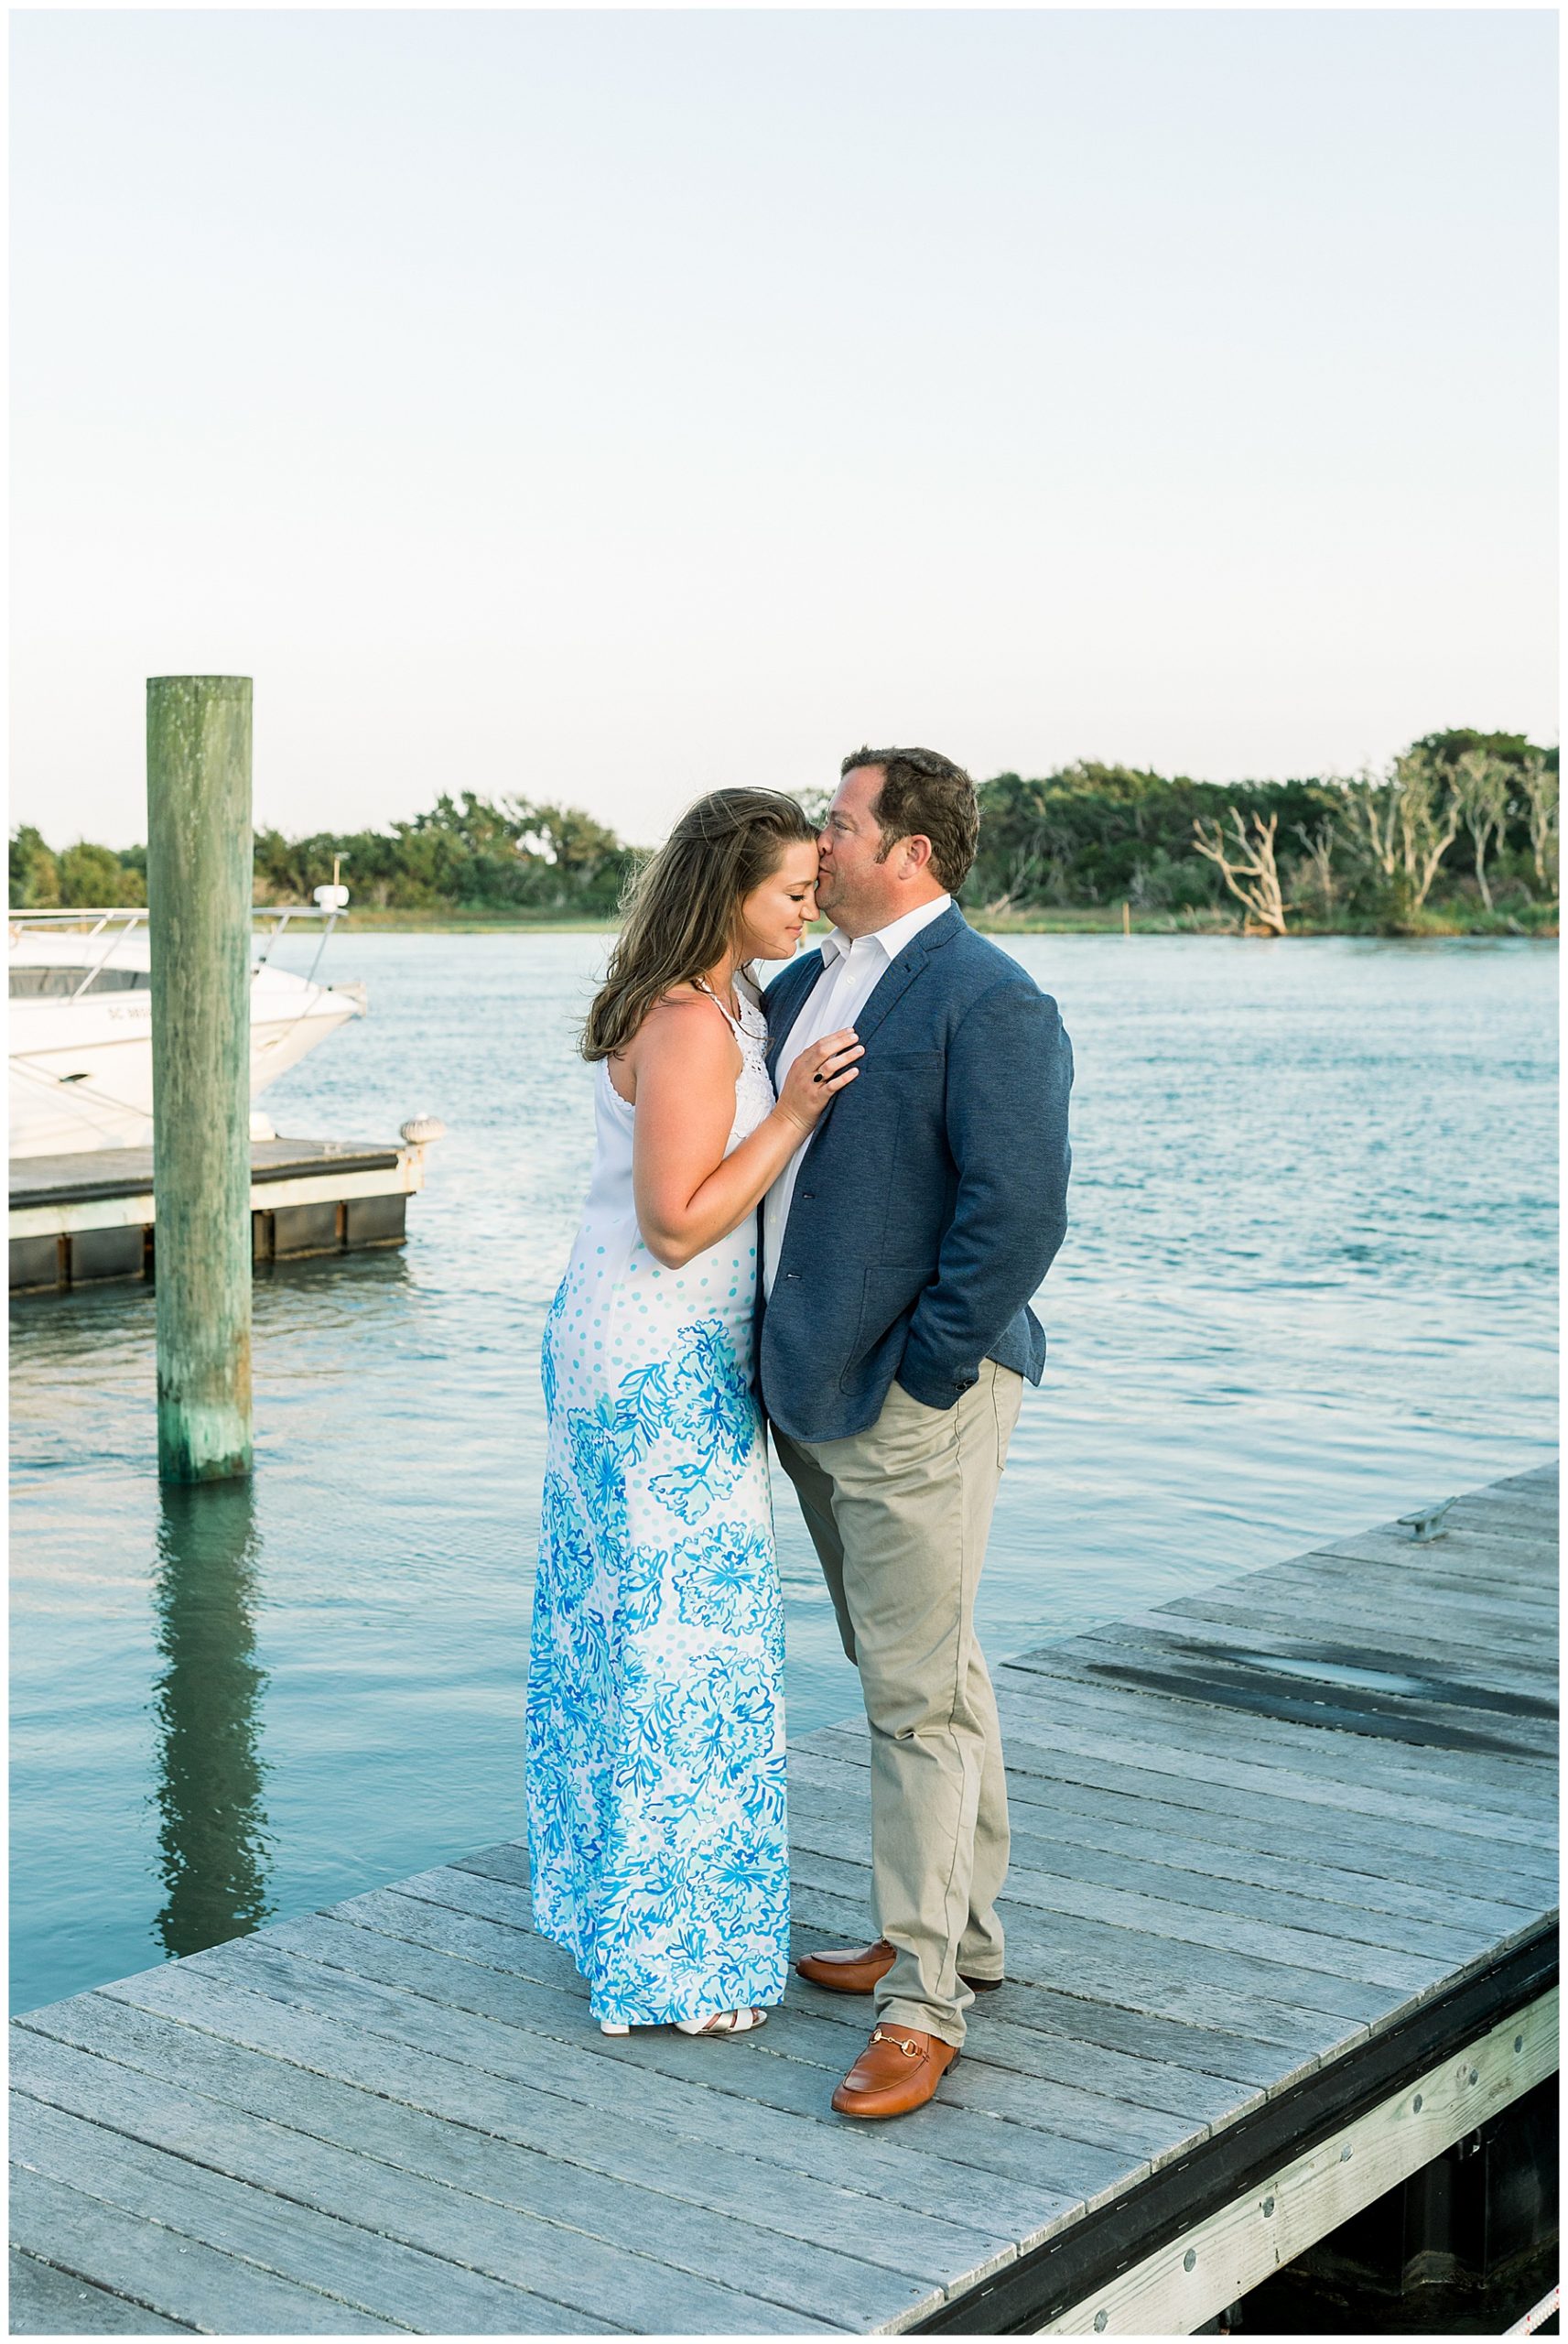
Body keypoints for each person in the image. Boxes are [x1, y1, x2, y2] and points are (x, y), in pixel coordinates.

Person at [762, 745, 1073, 2119]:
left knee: (913, 1701)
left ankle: (924, 1998)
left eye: (839, 825)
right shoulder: (798, 981)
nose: (817, 843)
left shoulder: (991, 999)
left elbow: (1015, 1215)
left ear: (911, 854)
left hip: (906, 1397)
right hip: (804, 1386)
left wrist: (925, 1378)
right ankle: (958, 1928)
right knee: (923, 1673)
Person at [526, 788, 862, 2039]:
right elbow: (675, 1225)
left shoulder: (736, 998)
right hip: (650, 1357)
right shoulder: (687, 1023)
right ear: (725, 895)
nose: (808, 906)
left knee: (654, 1642)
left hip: (645, 1350)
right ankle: (669, 1963)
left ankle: (635, 1920)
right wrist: (793, 1114)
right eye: (788, 891)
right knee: (681, 1654)